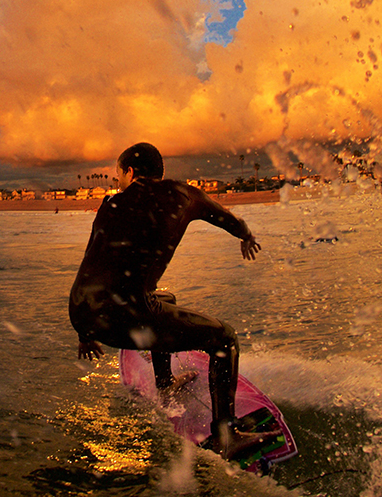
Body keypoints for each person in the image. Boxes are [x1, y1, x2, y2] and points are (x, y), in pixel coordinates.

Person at [68, 142, 277, 459]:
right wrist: (246, 235)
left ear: (130, 172)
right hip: (128, 318)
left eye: (119, 175)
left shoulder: (109, 204)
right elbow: (228, 219)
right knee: (225, 338)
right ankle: (226, 436)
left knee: (167, 298)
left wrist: (84, 332)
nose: (118, 182)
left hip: (84, 315)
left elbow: (91, 263)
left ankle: (165, 384)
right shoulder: (185, 195)